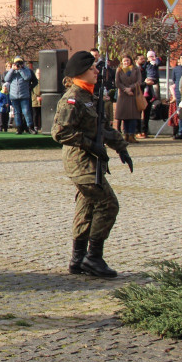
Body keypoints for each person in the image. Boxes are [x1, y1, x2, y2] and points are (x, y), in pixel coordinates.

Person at [51, 51, 132, 278]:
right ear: (80, 73)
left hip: (91, 162)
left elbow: (103, 129)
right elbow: (60, 132)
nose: (96, 72)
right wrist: (89, 145)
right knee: (108, 204)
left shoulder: (90, 96)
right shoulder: (73, 98)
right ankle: (93, 258)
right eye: (92, 69)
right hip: (80, 162)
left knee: (86, 209)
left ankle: (78, 260)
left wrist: (121, 147)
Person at [114, 54, 142, 143]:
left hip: (133, 95)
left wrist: (131, 88)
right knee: (125, 116)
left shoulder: (136, 69)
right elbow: (117, 82)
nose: (126, 62)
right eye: (124, 61)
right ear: (122, 62)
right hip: (123, 95)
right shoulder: (119, 70)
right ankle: (126, 135)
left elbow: (139, 81)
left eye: (128, 60)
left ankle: (131, 135)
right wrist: (125, 89)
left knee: (133, 116)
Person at [5, 57, 36, 134]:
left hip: (24, 95)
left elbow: (27, 77)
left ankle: (30, 127)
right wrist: (12, 69)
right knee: (16, 112)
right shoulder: (12, 71)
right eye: (17, 63)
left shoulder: (26, 70)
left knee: (26, 111)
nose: (18, 65)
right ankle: (19, 128)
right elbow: (6, 79)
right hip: (14, 95)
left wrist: (20, 70)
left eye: (20, 63)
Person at [169, 52, 182, 140]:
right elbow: (174, 80)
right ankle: (181, 132)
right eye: (181, 58)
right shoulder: (176, 69)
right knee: (180, 114)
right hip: (179, 94)